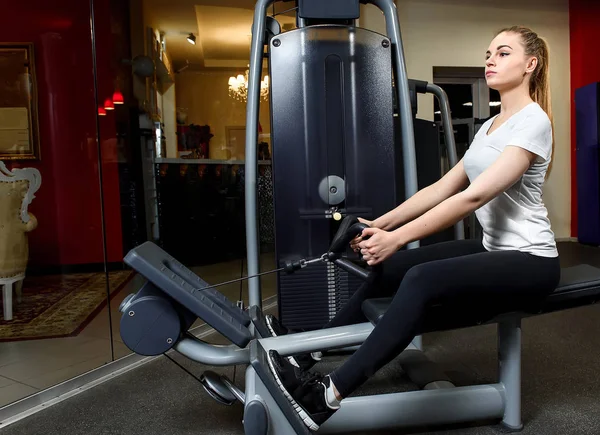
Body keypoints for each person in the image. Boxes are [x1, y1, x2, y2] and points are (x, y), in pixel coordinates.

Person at [265, 25, 562, 431]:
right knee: (389, 269)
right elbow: (442, 187)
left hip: (532, 260)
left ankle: (327, 396)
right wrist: (380, 225)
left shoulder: (533, 122)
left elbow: (472, 198)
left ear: (530, 64)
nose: (490, 59)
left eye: (503, 53)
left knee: (421, 278)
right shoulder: (491, 126)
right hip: (494, 249)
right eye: (489, 52)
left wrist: (398, 238)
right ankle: (309, 352)